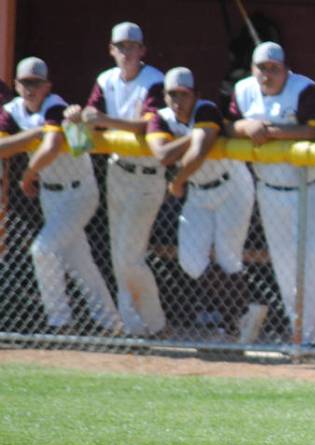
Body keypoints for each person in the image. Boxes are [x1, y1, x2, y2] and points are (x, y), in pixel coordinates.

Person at [0, 58, 122, 335]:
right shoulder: (12, 110)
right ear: (17, 85)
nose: (31, 89)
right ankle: (112, 324)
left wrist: (28, 175)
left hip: (79, 191)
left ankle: (60, 322)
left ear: (47, 86)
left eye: (36, 83)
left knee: (42, 250)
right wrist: (33, 133)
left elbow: (52, 145)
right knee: (80, 263)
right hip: (50, 195)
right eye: (25, 83)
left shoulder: (55, 104)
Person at [228, 42, 315, 346]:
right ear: (253, 69)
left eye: (274, 68)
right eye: (262, 68)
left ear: (286, 69)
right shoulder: (244, 89)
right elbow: (227, 126)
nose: (267, 74)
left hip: (313, 189)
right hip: (271, 190)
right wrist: (246, 125)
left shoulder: (305, 90)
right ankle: (302, 335)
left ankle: (309, 336)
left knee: (312, 261)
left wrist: (271, 131)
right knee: (285, 265)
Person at [64, 21, 167, 337]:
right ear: (111, 50)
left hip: (147, 174)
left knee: (128, 256)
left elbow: (147, 125)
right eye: (120, 47)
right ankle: (136, 325)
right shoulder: (105, 80)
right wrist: (76, 115)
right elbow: (90, 121)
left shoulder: (154, 81)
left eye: (132, 47)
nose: (126, 52)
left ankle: (153, 323)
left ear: (142, 50)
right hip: (117, 171)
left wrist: (104, 120)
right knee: (118, 254)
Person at [146, 67, 262, 342]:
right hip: (198, 191)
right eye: (172, 94)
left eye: (184, 95)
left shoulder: (206, 109)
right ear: (164, 96)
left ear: (195, 95)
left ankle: (235, 325)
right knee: (191, 261)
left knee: (227, 255)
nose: (178, 101)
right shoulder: (159, 118)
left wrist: (177, 182)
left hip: (231, 185)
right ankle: (245, 313)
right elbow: (162, 154)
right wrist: (195, 136)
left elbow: (198, 153)